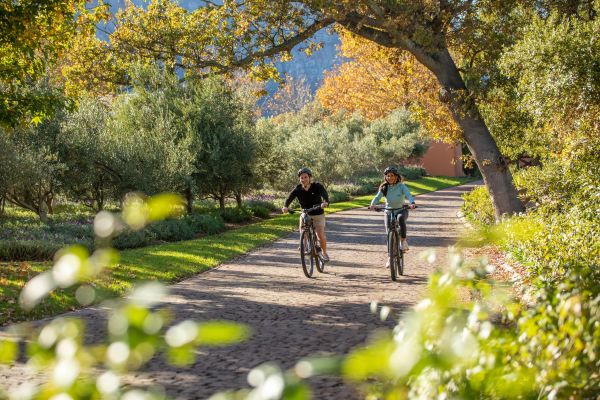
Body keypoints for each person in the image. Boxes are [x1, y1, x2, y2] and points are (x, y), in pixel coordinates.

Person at [282, 167, 330, 262]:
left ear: (309, 177)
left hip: (317, 214)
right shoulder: (298, 189)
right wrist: (285, 206)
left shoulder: (317, 186)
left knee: (320, 235)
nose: (303, 179)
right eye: (301, 178)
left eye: (305, 177)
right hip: (305, 213)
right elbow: (289, 198)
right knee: (303, 231)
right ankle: (304, 245)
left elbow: (325, 195)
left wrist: (325, 202)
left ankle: (324, 253)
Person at [368, 166, 416, 254]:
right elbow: (377, 197)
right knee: (389, 234)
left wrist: (412, 203)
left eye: (392, 175)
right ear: (385, 177)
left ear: (396, 176)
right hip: (388, 211)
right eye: (388, 176)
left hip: (401, 210)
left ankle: (403, 241)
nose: (390, 177)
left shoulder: (401, 186)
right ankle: (390, 256)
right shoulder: (384, 187)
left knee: (400, 219)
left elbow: (408, 195)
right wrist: (372, 205)